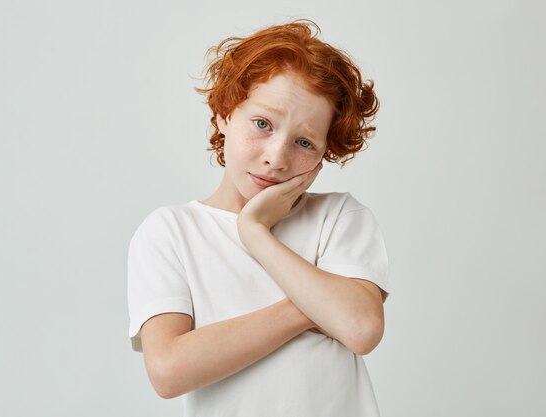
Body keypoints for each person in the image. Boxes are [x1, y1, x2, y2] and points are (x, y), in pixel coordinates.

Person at [127, 19, 390, 416]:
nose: (277, 157)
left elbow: (361, 328)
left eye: (304, 142)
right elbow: (168, 371)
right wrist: (312, 308)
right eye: (262, 124)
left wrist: (255, 234)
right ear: (224, 114)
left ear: (324, 153)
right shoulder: (170, 232)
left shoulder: (338, 216)